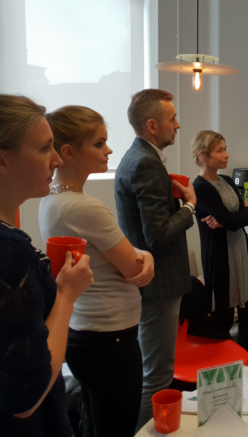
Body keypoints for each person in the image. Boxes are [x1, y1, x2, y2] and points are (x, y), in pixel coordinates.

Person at [39, 106, 155, 436]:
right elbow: (132, 266)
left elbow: (114, 252)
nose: (109, 150)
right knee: (115, 427)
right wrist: (145, 256)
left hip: (85, 332)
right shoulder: (85, 207)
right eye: (99, 143)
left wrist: (138, 253)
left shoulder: (53, 200)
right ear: (69, 152)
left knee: (94, 421)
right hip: (110, 339)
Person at [0, 95, 93, 436]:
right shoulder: (8, 251)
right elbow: (26, 396)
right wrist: (68, 294)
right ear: (2, 160)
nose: (55, 159)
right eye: (43, 149)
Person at [115, 89, 195, 431]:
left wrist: (170, 198)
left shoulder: (136, 157)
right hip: (159, 285)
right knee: (158, 375)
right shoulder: (147, 163)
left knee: (154, 369)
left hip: (152, 283)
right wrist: (189, 206)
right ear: (152, 125)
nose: (178, 125)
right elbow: (157, 236)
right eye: (172, 119)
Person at [191, 130, 248, 366]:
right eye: (219, 150)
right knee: (223, 316)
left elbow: (235, 220)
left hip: (240, 251)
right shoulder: (199, 187)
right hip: (219, 256)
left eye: (225, 149)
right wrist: (246, 210)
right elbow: (237, 218)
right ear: (202, 156)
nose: (226, 155)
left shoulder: (228, 180)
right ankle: (222, 370)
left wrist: (230, 218)